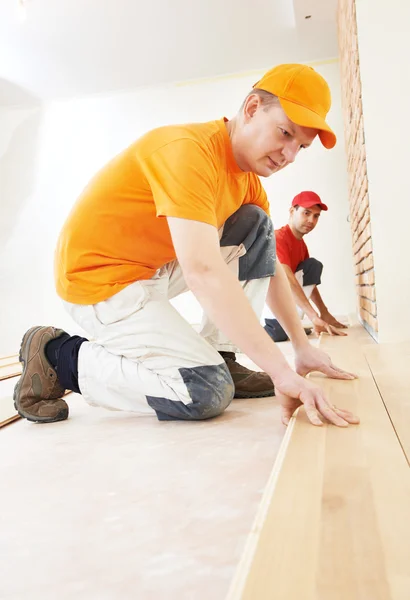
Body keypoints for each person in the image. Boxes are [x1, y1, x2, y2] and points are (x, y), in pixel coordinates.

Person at [14, 63, 359, 429]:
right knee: (204, 391)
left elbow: (268, 264)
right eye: (285, 133)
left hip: (152, 269)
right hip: (100, 281)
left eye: (300, 147)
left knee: (256, 225)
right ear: (253, 108)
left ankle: (222, 354)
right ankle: (57, 357)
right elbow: (203, 272)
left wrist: (300, 348)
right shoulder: (188, 152)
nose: (289, 154)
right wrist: (279, 371)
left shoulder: (248, 181)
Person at [264, 191, 349, 342]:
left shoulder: (301, 245)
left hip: (283, 302)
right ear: (292, 211)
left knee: (312, 267)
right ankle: (259, 327)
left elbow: (310, 282)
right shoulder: (278, 238)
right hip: (265, 303)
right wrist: (313, 317)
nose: (311, 220)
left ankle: (290, 323)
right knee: (279, 335)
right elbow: (287, 279)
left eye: (316, 216)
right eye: (306, 213)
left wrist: (324, 313)